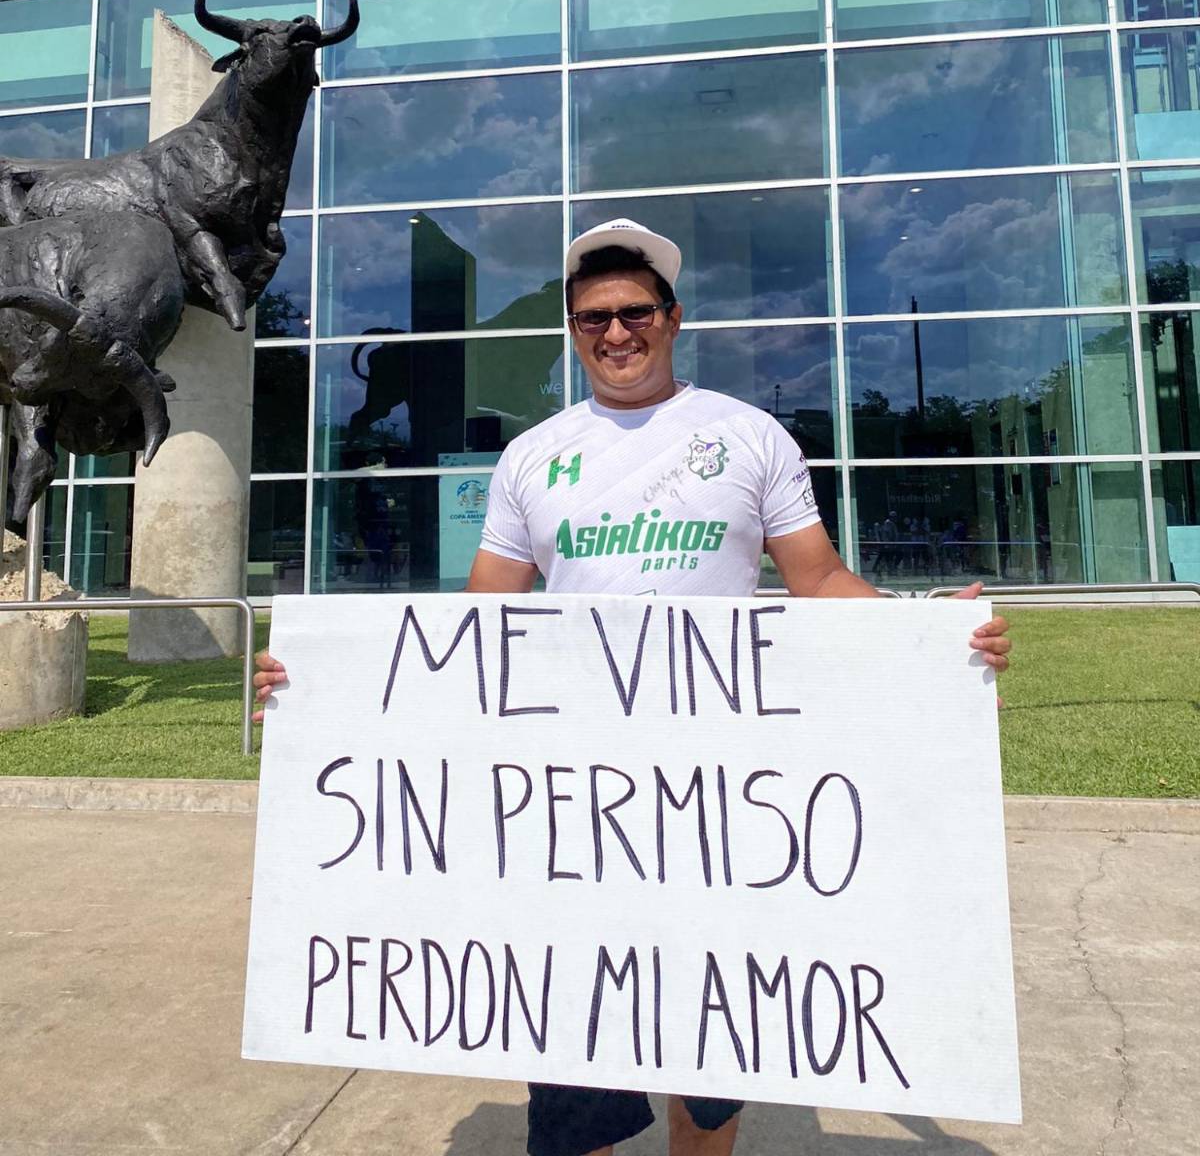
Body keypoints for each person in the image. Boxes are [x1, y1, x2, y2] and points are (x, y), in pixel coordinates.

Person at [254, 216, 1012, 1156]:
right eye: (593, 319)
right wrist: (325, 686)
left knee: (712, 1069)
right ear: (572, 331)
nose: (615, 333)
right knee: (578, 1070)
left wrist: (929, 640)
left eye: (634, 312)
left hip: (721, 805)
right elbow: (480, 621)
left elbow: (816, 580)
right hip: (574, 810)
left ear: (673, 317)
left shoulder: (749, 435)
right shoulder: (533, 457)